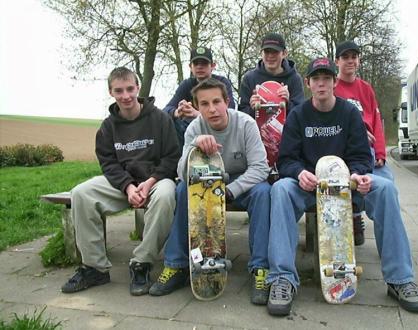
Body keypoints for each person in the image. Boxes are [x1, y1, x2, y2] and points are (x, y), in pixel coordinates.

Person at [266, 58, 418, 316]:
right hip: (310, 187)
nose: (321, 84)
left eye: (327, 78)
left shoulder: (349, 113)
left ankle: (400, 279)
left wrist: (360, 175)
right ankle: (282, 279)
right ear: (308, 84)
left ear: (334, 83)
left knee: (385, 189)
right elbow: (285, 160)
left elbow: (363, 156)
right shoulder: (298, 115)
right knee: (281, 190)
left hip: (348, 186)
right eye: (316, 79)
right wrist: (299, 173)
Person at [149, 78, 272, 305]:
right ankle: (176, 265)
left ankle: (260, 269)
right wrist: (195, 145)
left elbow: (260, 168)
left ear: (227, 102)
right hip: (206, 181)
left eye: (217, 101)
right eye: (204, 104)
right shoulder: (195, 127)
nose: (212, 109)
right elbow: (182, 172)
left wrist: (231, 191)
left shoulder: (245, 124)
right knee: (182, 189)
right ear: (198, 107)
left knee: (264, 193)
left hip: (239, 181)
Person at [61, 67, 181, 296]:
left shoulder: (160, 119)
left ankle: (141, 263)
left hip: (156, 181)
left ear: (138, 88)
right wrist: (127, 186)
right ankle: (94, 267)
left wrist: (149, 182)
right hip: (123, 184)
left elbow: (172, 157)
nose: (125, 96)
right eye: (119, 91)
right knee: (81, 192)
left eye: (129, 89)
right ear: (111, 92)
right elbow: (108, 164)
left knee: (167, 195)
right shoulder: (108, 127)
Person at [334, 40, 394, 246]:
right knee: (350, 180)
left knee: (387, 187)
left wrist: (380, 153)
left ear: (359, 61)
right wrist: (357, 133)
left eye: (354, 57)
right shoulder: (332, 87)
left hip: (368, 150)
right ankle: (355, 214)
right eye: (345, 57)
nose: (350, 61)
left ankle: (387, 245)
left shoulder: (366, 89)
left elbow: (376, 121)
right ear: (337, 61)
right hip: (345, 150)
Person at [164, 46, 235, 145]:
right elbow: (166, 110)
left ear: (213, 66)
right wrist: (178, 111)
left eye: (204, 63)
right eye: (196, 63)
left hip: (218, 132)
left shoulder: (222, 83)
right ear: (190, 67)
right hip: (191, 133)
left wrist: (197, 114)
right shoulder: (186, 84)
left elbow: (230, 111)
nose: (199, 67)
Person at [238, 32, 304, 118]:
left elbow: (302, 114)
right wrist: (252, 108)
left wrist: (288, 104)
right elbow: (241, 115)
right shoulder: (249, 78)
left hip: (287, 130)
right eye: (267, 52)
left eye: (275, 52)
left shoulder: (295, 78)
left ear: (284, 53)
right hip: (256, 131)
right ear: (261, 53)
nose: (270, 56)